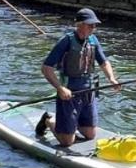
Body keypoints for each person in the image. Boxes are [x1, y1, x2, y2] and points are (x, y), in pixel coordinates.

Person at [37, 8, 119, 147]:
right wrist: (60, 88)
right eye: (90, 25)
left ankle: (72, 124)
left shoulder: (93, 40)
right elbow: (46, 68)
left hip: (88, 92)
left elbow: (104, 62)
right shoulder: (66, 41)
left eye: (94, 25)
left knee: (90, 134)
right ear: (79, 24)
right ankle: (49, 121)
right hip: (69, 93)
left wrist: (111, 79)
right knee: (67, 142)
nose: (93, 28)